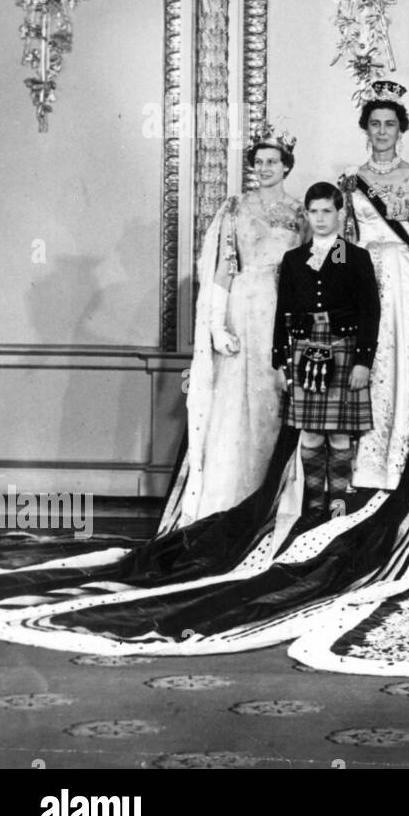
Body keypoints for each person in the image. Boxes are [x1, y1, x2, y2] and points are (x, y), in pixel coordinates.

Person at [159, 124, 306, 532]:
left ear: (286, 166)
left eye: (272, 162)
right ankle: (229, 500)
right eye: (258, 162)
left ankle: (270, 500)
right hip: (244, 309)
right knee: (237, 403)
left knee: (274, 400)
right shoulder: (236, 207)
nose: (264, 168)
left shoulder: (300, 212)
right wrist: (216, 326)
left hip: (283, 310)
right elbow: (224, 268)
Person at [337, 79, 409, 492]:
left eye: (390, 124)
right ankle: (364, 464)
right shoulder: (349, 179)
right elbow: (343, 240)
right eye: (375, 124)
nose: (382, 131)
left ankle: (401, 460)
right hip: (365, 277)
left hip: (405, 279)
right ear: (366, 128)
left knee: (403, 361)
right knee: (370, 362)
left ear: (401, 129)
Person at [273, 182, 381, 521]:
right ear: (306, 214)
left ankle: (338, 508)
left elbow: (370, 312)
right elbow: (282, 311)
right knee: (310, 431)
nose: (320, 219)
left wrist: (363, 361)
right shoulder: (293, 259)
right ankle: (313, 508)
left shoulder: (355, 256)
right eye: (313, 211)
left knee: (338, 433)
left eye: (327, 211)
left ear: (340, 214)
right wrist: (279, 361)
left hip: (343, 348)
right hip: (305, 351)